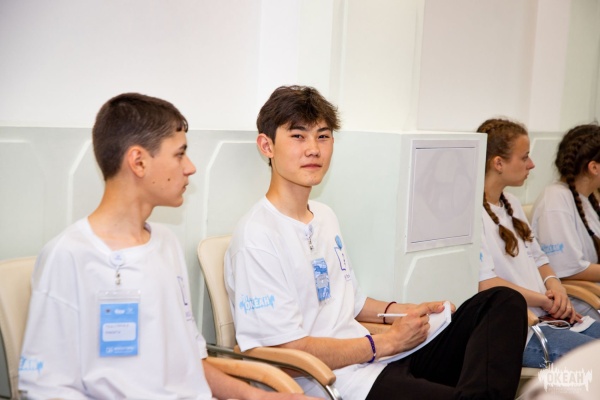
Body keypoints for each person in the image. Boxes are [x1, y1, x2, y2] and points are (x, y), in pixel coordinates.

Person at [225, 85, 529, 400]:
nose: (313, 149)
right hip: (336, 383)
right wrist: (386, 342)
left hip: (381, 360)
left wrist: (406, 312)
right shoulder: (257, 237)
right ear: (267, 145)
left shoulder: (324, 216)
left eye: (323, 136)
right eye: (298, 136)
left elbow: (352, 304)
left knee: (502, 302)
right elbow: (284, 355)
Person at [18, 93, 315, 400]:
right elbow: (45, 388)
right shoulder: (69, 255)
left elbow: (191, 361)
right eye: (179, 154)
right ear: (138, 162)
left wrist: (259, 397)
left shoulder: (165, 244)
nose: (190, 167)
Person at [476, 118, 600, 369]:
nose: (531, 164)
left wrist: (556, 287)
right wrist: (545, 300)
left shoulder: (511, 202)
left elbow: (540, 259)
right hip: (517, 330)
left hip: (547, 316)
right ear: (498, 163)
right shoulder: (471, 214)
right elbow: (486, 283)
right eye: (524, 157)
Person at [531, 124, 600, 288]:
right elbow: (567, 270)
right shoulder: (555, 200)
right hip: (577, 297)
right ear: (594, 167)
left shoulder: (587, 199)